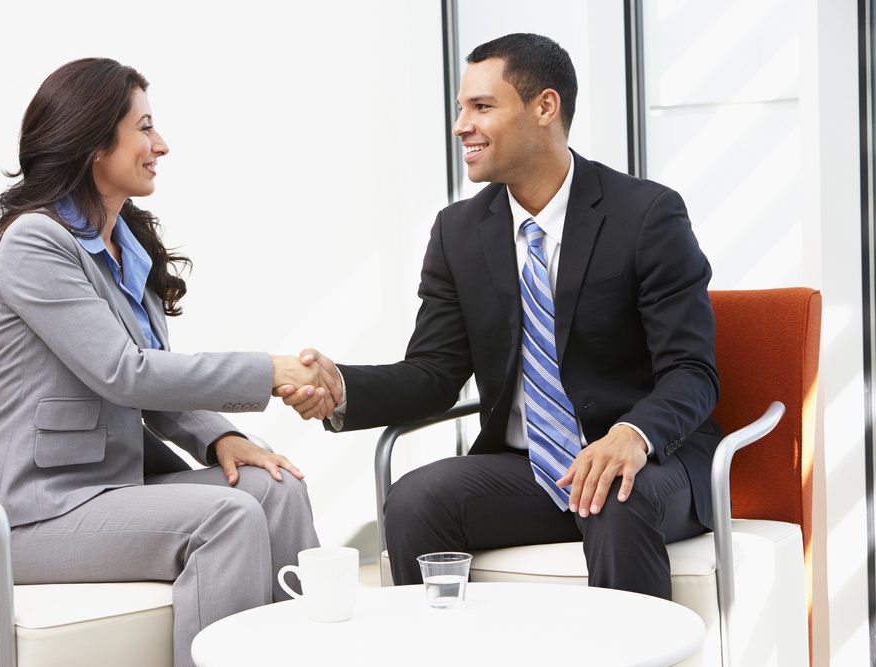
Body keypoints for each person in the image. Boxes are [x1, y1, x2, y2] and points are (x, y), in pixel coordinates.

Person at [281, 33, 721, 600]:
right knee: (416, 498)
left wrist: (631, 434)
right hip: (527, 469)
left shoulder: (647, 214)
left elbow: (692, 370)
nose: (462, 124)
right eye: (461, 108)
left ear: (545, 108)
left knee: (613, 492)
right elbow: (435, 374)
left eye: (482, 107)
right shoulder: (458, 232)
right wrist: (342, 386)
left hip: (649, 461)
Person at [0, 58, 340, 667]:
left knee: (277, 487)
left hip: (111, 486)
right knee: (227, 517)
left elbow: (152, 374)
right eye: (145, 128)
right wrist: (270, 370)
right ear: (92, 142)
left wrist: (222, 439)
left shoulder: (125, 240)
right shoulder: (35, 242)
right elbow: (124, 373)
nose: (161, 145)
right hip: (26, 513)